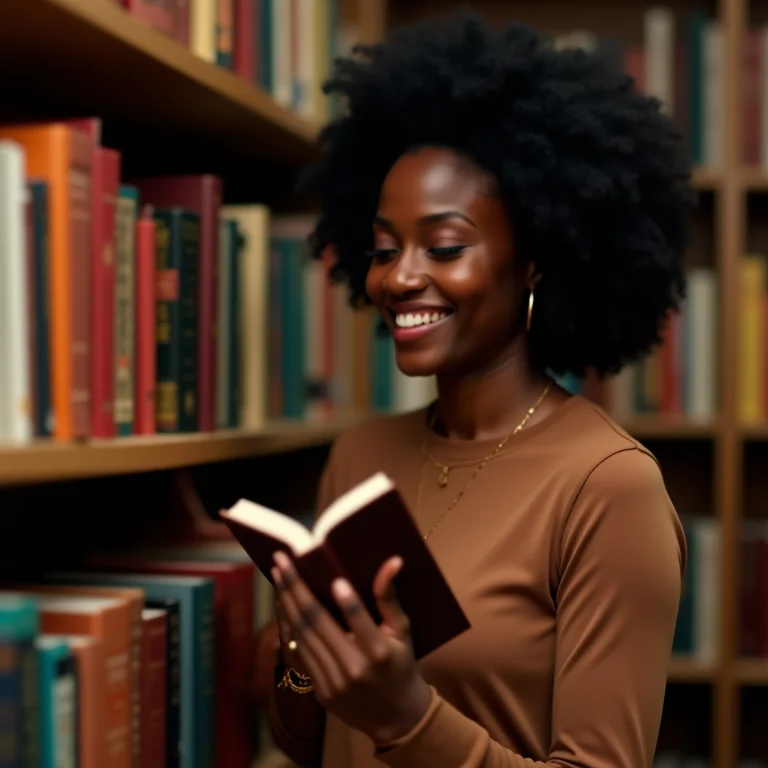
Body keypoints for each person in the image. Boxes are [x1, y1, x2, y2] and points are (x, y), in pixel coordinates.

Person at [258, 9, 691, 768]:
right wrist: (302, 654)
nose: (399, 278)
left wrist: (406, 715)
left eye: (445, 245)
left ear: (535, 261)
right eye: (384, 249)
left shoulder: (607, 487)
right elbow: (311, 744)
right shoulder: (359, 457)